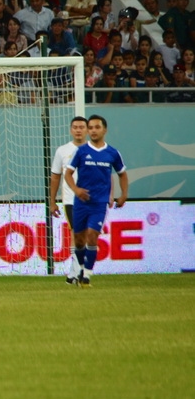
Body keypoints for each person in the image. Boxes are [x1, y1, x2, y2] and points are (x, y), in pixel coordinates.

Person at [64, 115, 129, 288]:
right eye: (90, 127)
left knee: (92, 237)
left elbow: (122, 174)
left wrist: (123, 194)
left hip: (99, 203)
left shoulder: (112, 153)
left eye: (96, 127)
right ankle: (80, 269)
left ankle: (86, 276)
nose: (93, 130)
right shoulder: (81, 151)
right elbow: (67, 173)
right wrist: (76, 190)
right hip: (80, 203)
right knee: (78, 240)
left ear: (104, 130)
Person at [49, 116, 88, 284]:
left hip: (91, 199)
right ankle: (79, 271)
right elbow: (55, 177)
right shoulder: (62, 151)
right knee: (77, 232)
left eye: (81, 127)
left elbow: (105, 174)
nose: (78, 130)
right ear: (71, 130)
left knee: (87, 235)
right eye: (75, 127)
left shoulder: (95, 150)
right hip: (71, 200)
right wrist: (52, 201)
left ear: (86, 130)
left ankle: (73, 273)